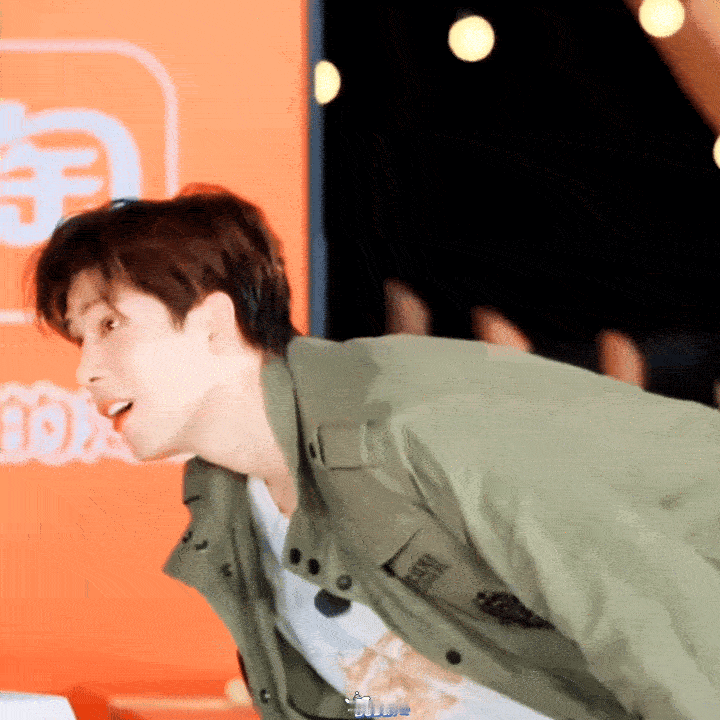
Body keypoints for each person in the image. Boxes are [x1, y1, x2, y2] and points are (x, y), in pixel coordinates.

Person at [26, 184, 720, 720]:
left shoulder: (411, 421)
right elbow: (354, 699)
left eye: (109, 326)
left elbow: (657, 623)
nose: (85, 371)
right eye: (79, 340)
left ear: (213, 323)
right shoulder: (230, 511)